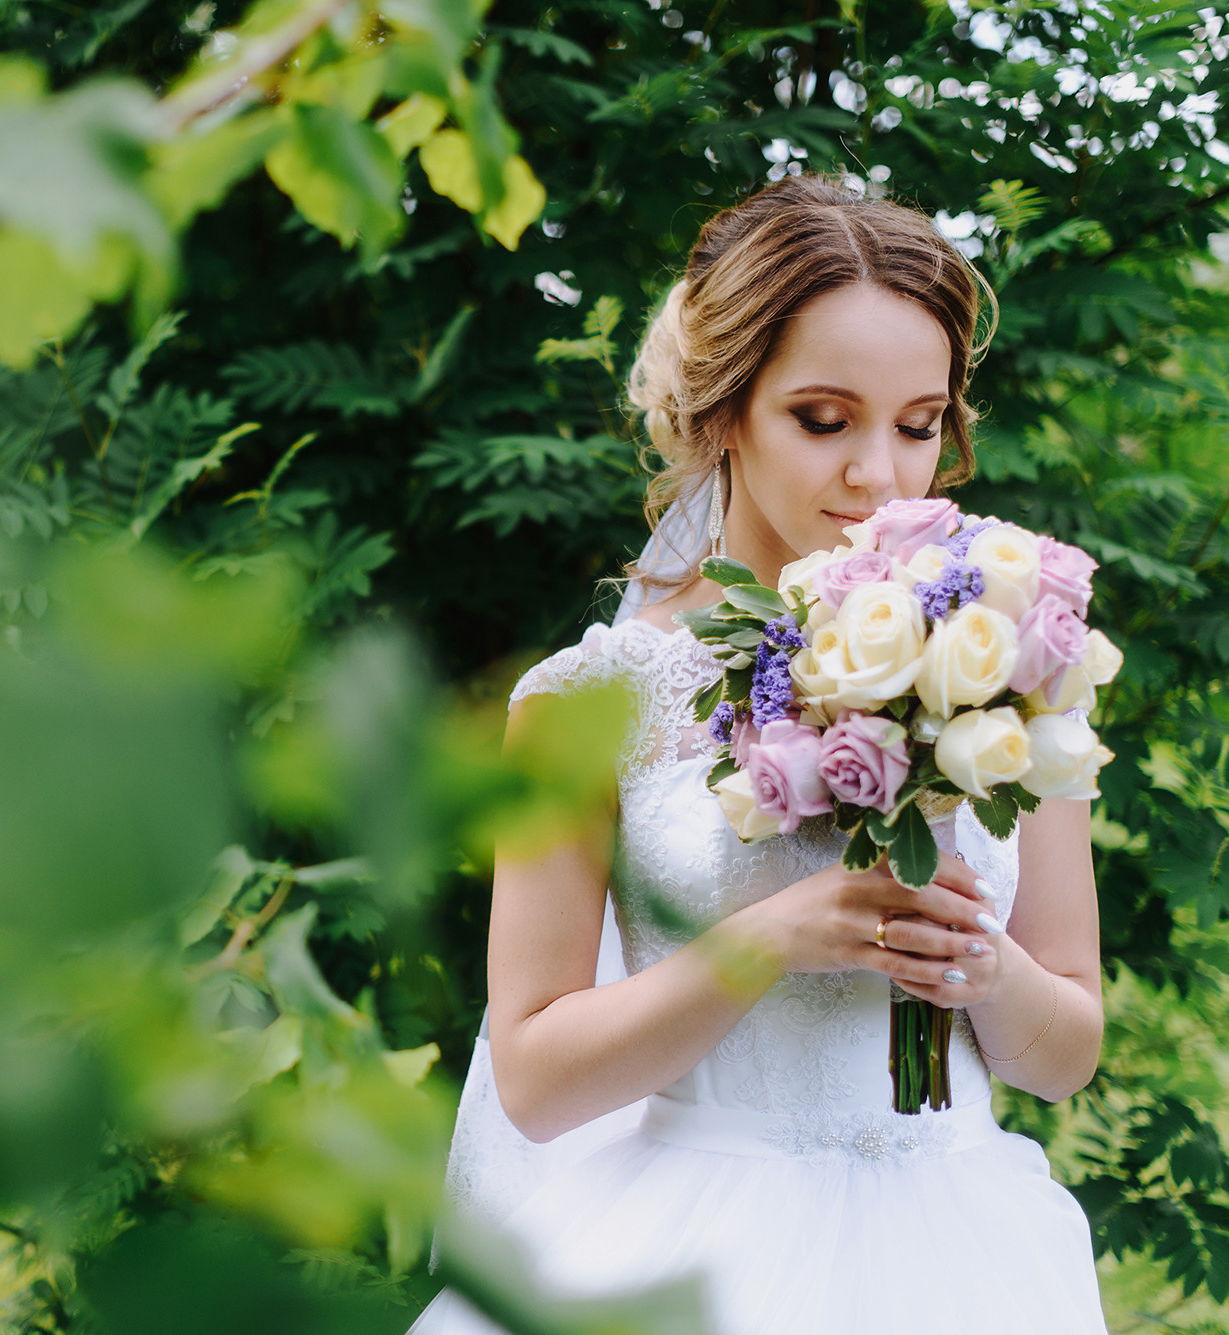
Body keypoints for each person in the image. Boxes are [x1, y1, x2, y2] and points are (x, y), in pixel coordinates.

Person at [410, 175, 1108, 1334]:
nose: (877, 474)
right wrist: (763, 942)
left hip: (957, 1253)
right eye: (823, 419)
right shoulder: (588, 701)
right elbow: (531, 1082)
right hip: (681, 1253)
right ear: (723, 411)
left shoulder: (1005, 662)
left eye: (918, 423)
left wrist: (984, 974)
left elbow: (1064, 1050)